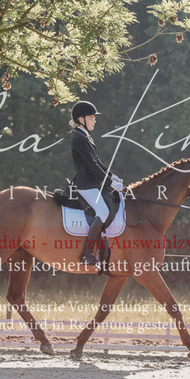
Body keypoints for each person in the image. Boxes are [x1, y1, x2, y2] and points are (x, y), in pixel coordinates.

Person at [69, 101, 123, 265]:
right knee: (103, 211)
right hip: (85, 184)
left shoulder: (85, 136)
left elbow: (97, 161)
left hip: (92, 183)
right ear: (81, 119)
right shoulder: (79, 138)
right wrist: (109, 182)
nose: (94, 121)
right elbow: (91, 165)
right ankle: (86, 254)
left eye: (94, 118)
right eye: (91, 118)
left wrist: (112, 176)